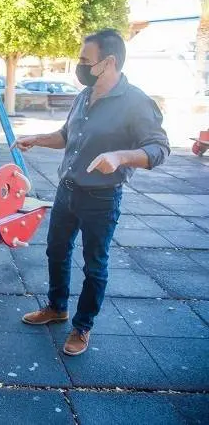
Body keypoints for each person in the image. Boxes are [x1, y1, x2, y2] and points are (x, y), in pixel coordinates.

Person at [13, 29, 170, 356]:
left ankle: (82, 326)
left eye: (86, 60)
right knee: (56, 251)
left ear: (108, 62)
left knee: (94, 265)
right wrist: (38, 138)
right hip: (66, 192)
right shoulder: (84, 95)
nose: (80, 66)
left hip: (101, 198)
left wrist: (120, 156)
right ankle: (57, 307)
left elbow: (159, 148)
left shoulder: (136, 102)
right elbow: (67, 135)